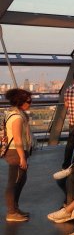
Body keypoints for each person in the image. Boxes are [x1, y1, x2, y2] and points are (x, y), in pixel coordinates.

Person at [3, 88, 33, 222]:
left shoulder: (17, 114)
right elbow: (18, 139)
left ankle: (15, 208)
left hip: (17, 152)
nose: (30, 103)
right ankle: (11, 212)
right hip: (16, 152)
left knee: (21, 179)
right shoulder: (17, 118)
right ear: (21, 102)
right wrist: (22, 157)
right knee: (14, 182)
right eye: (29, 101)